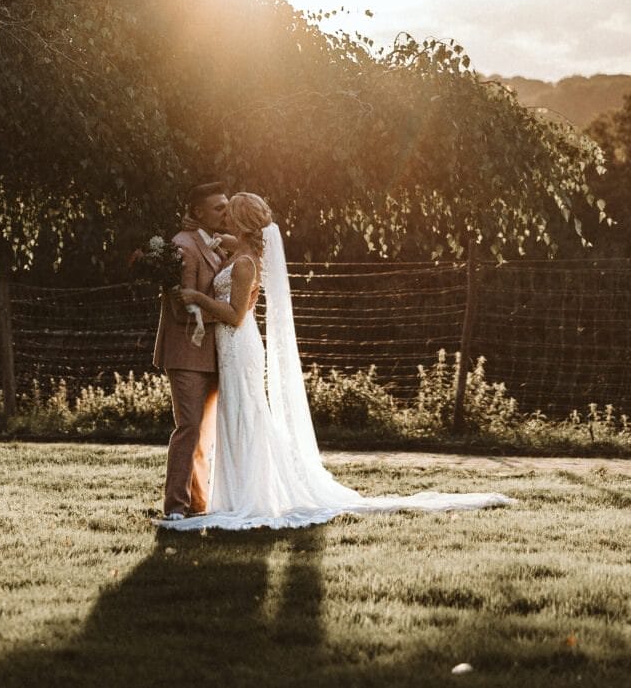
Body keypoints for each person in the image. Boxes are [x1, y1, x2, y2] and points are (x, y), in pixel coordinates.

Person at [158, 192, 513, 530]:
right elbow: (227, 253)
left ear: (239, 221)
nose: (223, 218)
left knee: (246, 416)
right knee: (238, 416)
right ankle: (235, 492)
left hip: (238, 344)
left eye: (228, 212)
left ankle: (250, 494)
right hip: (232, 348)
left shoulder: (245, 263)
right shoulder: (239, 251)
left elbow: (235, 315)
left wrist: (197, 298)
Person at [151, 181, 229, 519]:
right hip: (186, 350)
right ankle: (176, 506)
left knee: (205, 433)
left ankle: (198, 503)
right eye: (219, 208)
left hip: (211, 350)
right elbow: (184, 306)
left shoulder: (215, 244)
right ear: (198, 212)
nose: (226, 213)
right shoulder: (183, 245)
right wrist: (231, 314)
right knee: (189, 428)